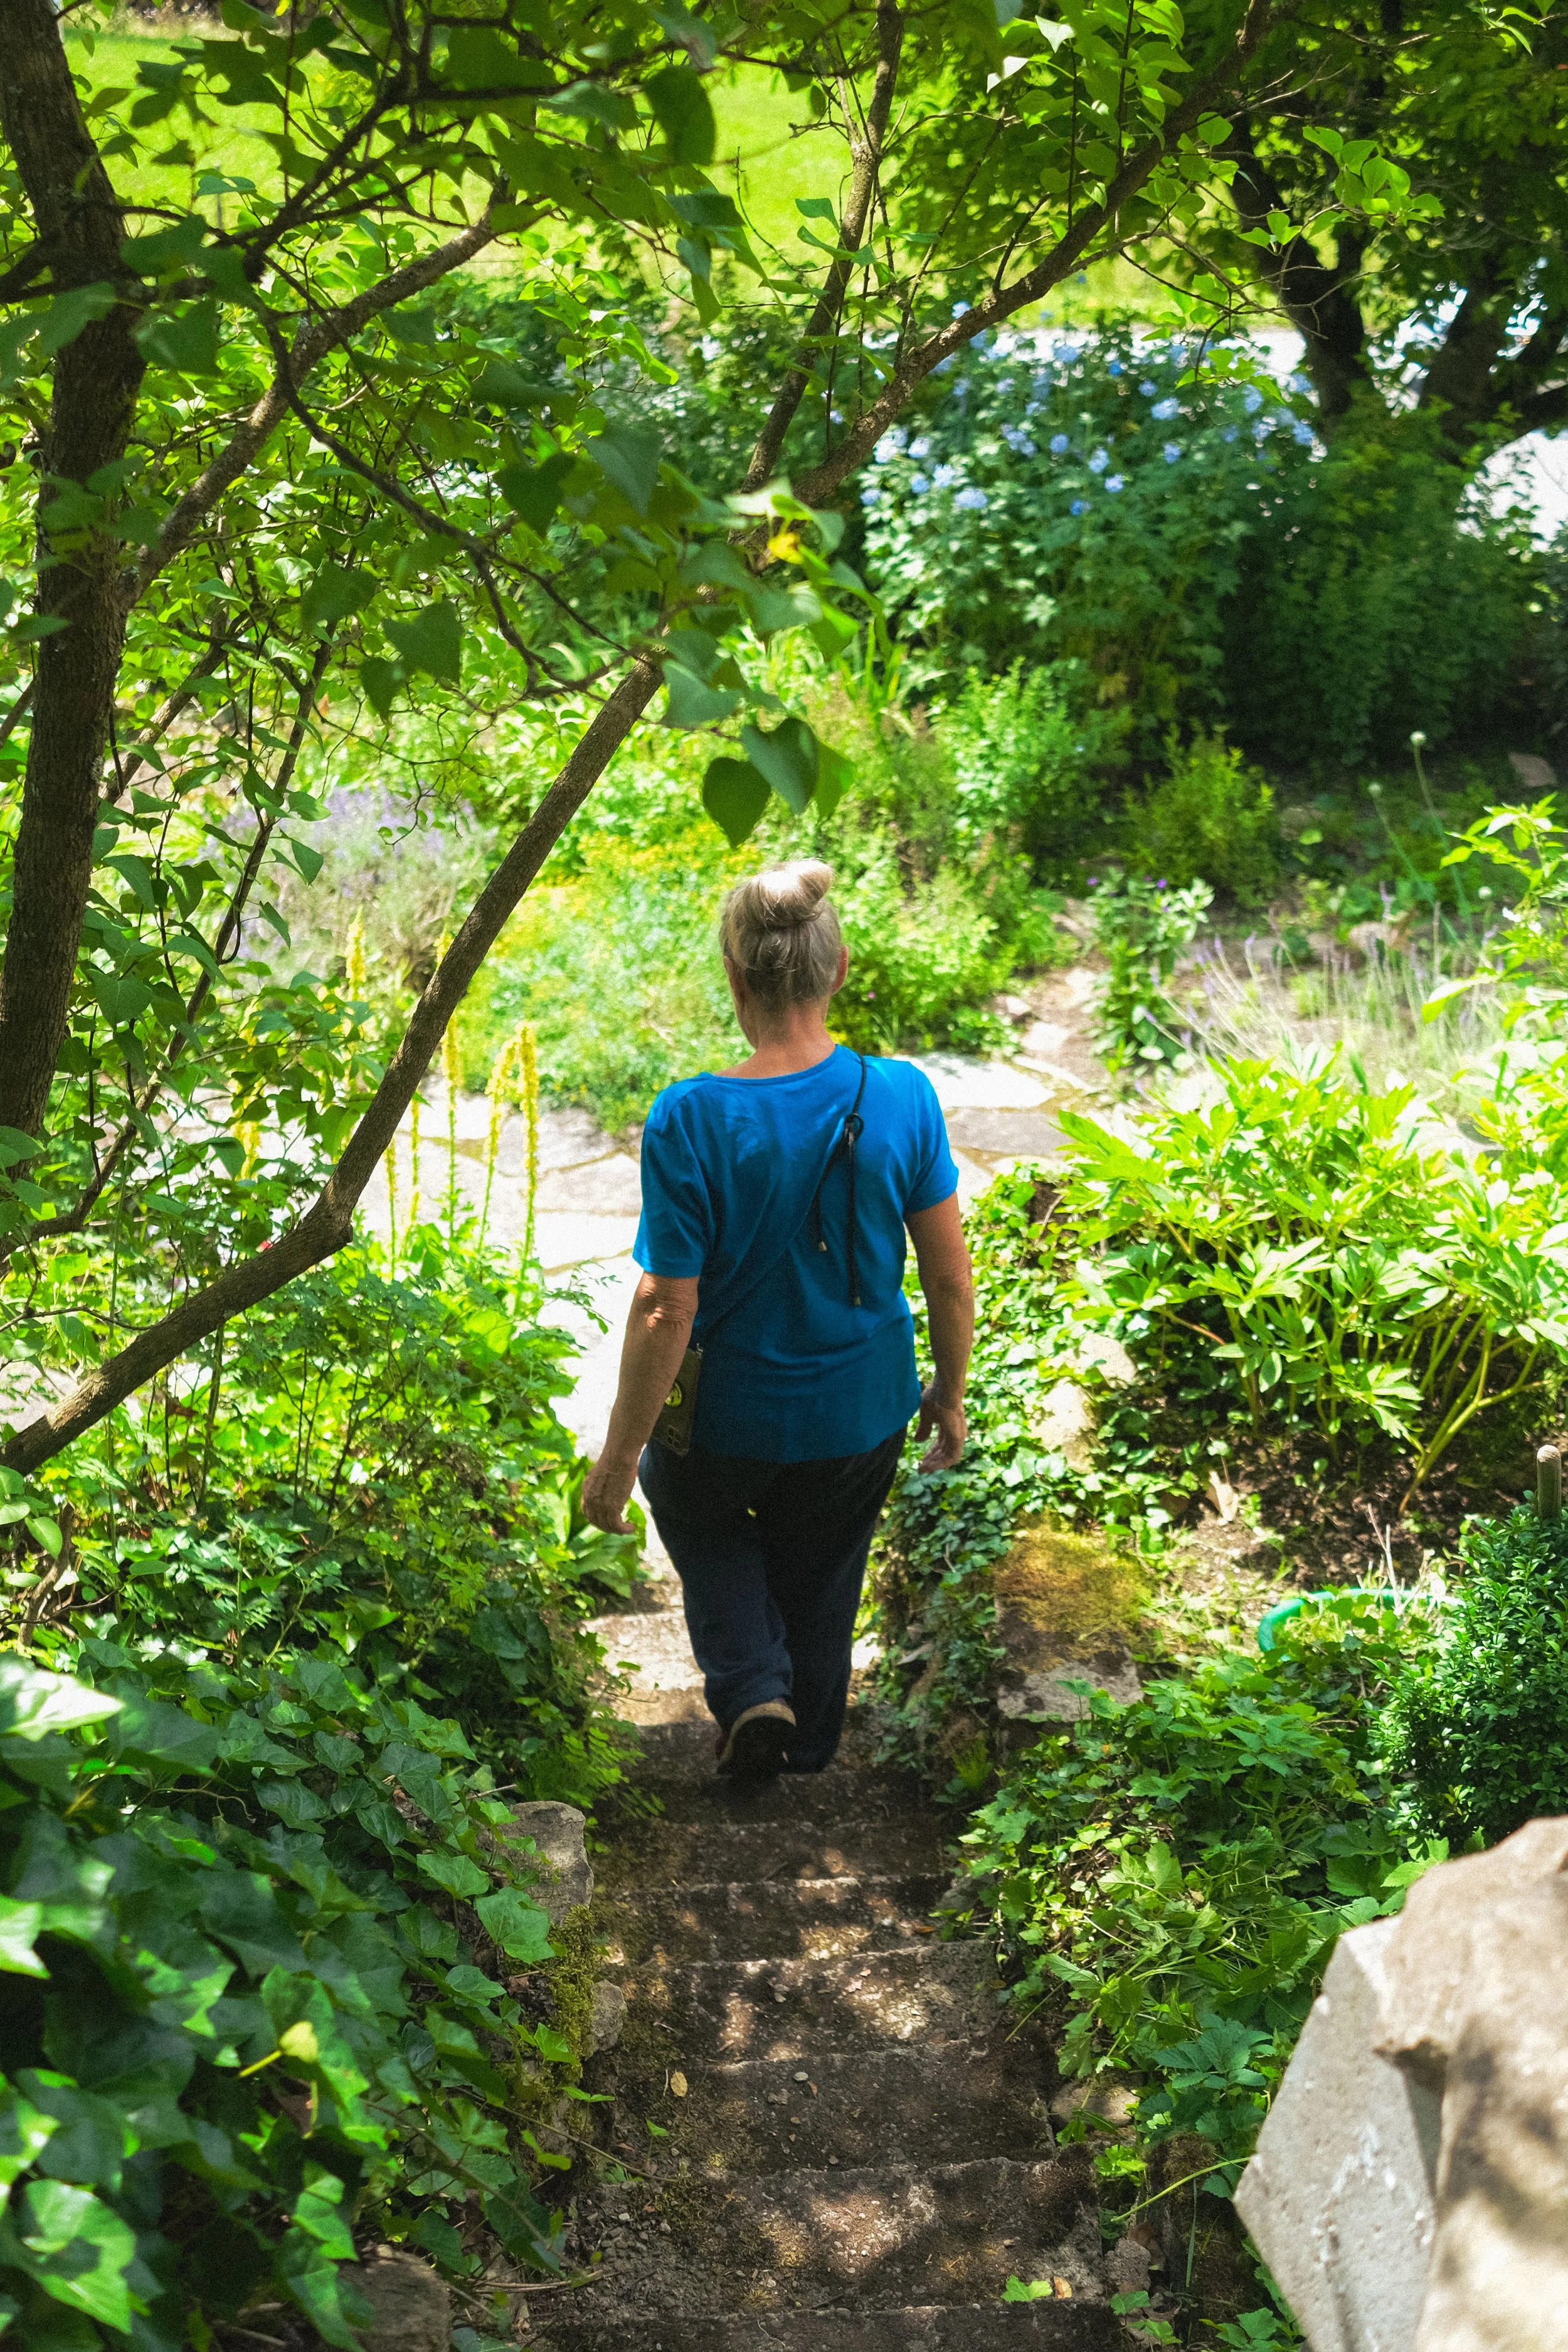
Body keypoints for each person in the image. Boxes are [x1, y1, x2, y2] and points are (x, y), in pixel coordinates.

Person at [581, 857, 974, 1781]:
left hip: (725, 1415)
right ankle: (808, 1732)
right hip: (859, 1410)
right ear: (836, 972)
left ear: (736, 978)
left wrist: (616, 1455)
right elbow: (948, 1279)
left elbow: (664, 1304)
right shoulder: (903, 1096)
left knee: (689, 1500)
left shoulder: (689, 1116)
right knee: (826, 1566)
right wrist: (948, 1395)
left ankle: (755, 1684)